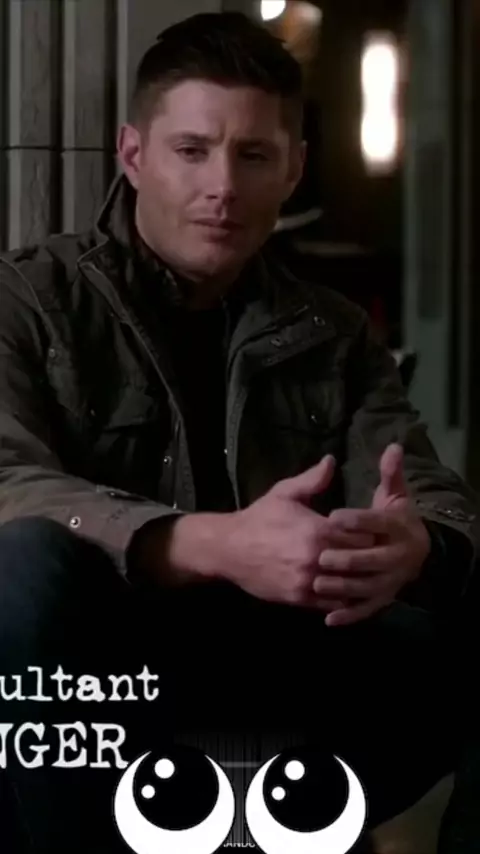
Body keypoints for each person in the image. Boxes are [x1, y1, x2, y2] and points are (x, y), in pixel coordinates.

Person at [0, 11, 477, 854]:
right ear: (133, 155)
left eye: (253, 156)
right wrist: (204, 544)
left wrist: (415, 545)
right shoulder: (28, 301)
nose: (222, 186)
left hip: (280, 663)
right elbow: (6, 484)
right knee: (22, 565)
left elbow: (428, 490)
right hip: (103, 678)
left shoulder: (332, 330)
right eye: (191, 151)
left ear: (293, 168)